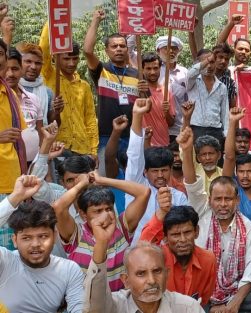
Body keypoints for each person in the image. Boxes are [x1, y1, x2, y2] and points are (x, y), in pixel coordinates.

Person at [178, 126, 251, 312]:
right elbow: (192, 184)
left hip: (235, 291)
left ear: (237, 200)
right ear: (209, 200)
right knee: (187, 298)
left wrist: (235, 301)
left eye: (228, 199)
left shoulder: (246, 226)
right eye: (218, 199)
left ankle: (225, 309)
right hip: (204, 290)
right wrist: (186, 151)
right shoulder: (202, 212)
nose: (223, 204)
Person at [0, 175, 84, 312]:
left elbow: (79, 309)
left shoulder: (69, 270)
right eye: (26, 238)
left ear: (55, 236)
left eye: (43, 236)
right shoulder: (4, 261)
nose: (35, 244)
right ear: (14, 240)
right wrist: (15, 197)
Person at [83, 233, 204, 313]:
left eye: (157, 271)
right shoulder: (115, 306)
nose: (151, 280)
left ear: (167, 274)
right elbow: (95, 305)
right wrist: (101, 245)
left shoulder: (188, 308)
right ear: (126, 280)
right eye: (141, 273)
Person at [126, 98, 188, 241]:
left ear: (171, 170)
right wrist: (137, 116)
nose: (160, 175)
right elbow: (134, 155)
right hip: (138, 255)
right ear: (145, 172)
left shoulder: (179, 197)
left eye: (164, 170)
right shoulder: (137, 188)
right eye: (154, 171)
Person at [140, 201, 217, 307]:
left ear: (196, 231)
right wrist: (161, 212)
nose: (182, 239)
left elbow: (204, 300)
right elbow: (142, 247)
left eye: (187, 232)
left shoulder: (208, 260)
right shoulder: (157, 259)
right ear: (165, 237)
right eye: (175, 235)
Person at [38, 23, 97, 157]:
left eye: (75, 59)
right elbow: (43, 50)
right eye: (66, 59)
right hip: (57, 148)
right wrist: (53, 20)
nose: (71, 63)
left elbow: (90, 120)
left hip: (82, 149)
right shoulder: (48, 75)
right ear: (54, 57)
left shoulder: (84, 85)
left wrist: (93, 151)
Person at [84, 10, 139, 154]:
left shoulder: (137, 74)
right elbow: (88, 51)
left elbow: (146, 106)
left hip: (132, 136)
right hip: (106, 135)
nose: (119, 49)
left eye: (122, 46)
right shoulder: (101, 70)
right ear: (107, 50)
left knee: (131, 175)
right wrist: (95, 21)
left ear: (127, 49)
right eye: (114, 46)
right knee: (107, 175)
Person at [0, 38, 27, 249]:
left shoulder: (8, 93)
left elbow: (23, 137)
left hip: (11, 183)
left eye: (1, 54)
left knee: (9, 252)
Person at [4, 48, 43, 163]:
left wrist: (44, 166)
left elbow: (40, 133)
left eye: (15, 69)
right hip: (7, 165)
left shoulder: (33, 98)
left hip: (33, 165)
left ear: (21, 70)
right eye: (6, 69)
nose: (10, 74)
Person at [185, 53, 229, 145]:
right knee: (195, 158)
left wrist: (226, 134)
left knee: (215, 158)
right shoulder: (192, 82)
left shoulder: (222, 87)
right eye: (205, 62)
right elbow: (190, 74)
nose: (209, 66)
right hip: (195, 129)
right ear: (199, 64)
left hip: (216, 130)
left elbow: (225, 113)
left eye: (212, 62)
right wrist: (208, 60)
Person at [138, 52, 175, 147]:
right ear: (142, 70)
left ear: (160, 69)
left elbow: (171, 123)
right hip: (142, 145)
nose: (152, 72)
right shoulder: (138, 90)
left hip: (164, 144)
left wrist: (166, 113)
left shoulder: (166, 91)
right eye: (148, 68)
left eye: (155, 68)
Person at [17, 43, 54, 125]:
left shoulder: (48, 93)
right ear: (19, 62)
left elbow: (53, 124)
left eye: (38, 63)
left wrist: (56, 112)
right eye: (28, 61)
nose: (33, 67)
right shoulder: (10, 88)